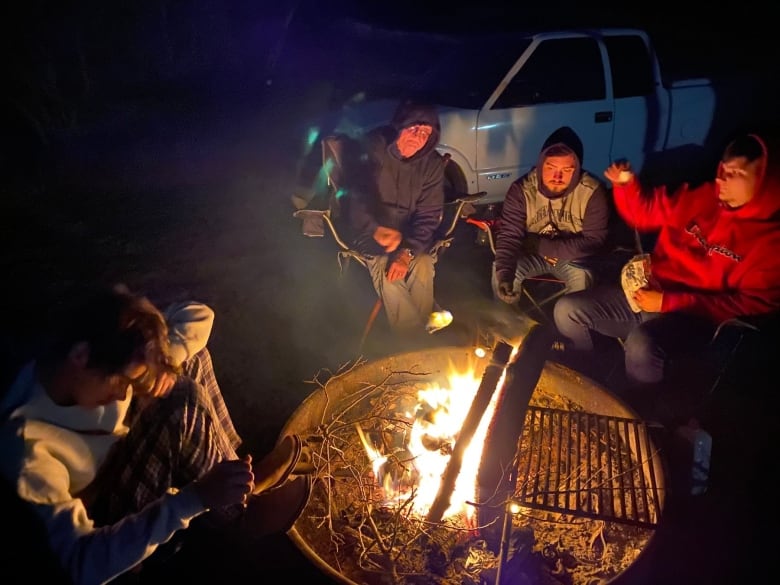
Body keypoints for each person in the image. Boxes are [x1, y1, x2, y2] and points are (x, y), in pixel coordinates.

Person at [0, 284, 307, 584]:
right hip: (103, 513)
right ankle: (241, 514)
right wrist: (193, 500)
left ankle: (236, 475)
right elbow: (81, 565)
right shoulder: (28, 450)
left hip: (116, 447)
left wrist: (164, 360)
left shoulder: (96, 344)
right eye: (122, 382)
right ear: (80, 357)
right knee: (183, 398)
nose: (124, 394)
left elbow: (198, 314)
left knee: (188, 362)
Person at [553, 132, 780, 388]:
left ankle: (642, 414)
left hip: (695, 321)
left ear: (765, 180)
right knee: (568, 311)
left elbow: (749, 307)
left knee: (641, 345)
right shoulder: (701, 198)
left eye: (736, 174)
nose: (721, 178)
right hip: (648, 294)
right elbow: (645, 213)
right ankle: (588, 382)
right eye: (723, 169)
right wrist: (626, 186)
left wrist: (669, 302)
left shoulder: (770, 244)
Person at [345, 99, 446, 335]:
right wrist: (374, 228)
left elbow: (429, 214)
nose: (419, 137)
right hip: (369, 231)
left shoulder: (431, 164)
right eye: (414, 128)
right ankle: (413, 338)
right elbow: (357, 194)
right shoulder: (373, 148)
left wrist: (408, 250)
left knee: (421, 263)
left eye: (426, 133)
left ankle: (417, 339)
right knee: (387, 267)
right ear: (401, 125)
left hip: (408, 234)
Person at [492, 127, 609, 306]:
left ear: (577, 168)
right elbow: (509, 236)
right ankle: (503, 327)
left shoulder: (591, 192)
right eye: (551, 167)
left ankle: (572, 329)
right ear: (540, 165)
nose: (557, 176)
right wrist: (504, 275)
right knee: (502, 274)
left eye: (567, 170)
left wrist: (540, 245)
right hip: (531, 256)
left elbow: (593, 241)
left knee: (579, 292)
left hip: (572, 260)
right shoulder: (521, 190)